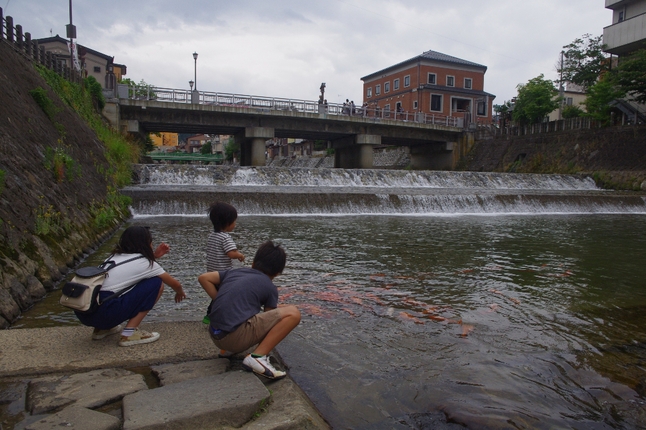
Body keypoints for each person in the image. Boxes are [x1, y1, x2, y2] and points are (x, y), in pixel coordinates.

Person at [198, 241, 301, 380]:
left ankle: (227, 351)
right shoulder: (270, 287)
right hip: (234, 338)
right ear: (277, 273)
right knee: (293, 313)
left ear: (253, 263)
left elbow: (203, 278)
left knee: (243, 318)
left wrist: (220, 300)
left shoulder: (234, 272)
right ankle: (258, 357)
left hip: (215, 334)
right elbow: (269, 321)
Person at [75, 226, 186, 347]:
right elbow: (175, 284)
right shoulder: (147, 264)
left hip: (86, 313)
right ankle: (129, 334)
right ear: (146, 243)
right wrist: (179, 292)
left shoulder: (113, 257)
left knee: (111, 292)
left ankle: (102, 329)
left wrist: (154, 256)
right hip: (105, 313)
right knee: (157, 283)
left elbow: (132, 268)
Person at [203, 202, 245, 325]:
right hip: (223, 274)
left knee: (219, 296)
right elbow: (231, 254)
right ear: (228, 223)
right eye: (234, 221)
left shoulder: (212, 236)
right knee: (226, 297)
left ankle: (209, 317)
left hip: (211, 273)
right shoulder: (225, 237)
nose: (235, 224)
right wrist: (240, 255)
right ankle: (216, 317)